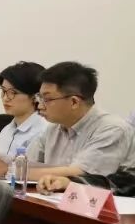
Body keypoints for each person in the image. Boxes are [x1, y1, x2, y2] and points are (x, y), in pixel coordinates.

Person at [26, 61, 135, 191]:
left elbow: (80, 175)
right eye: (39, 98)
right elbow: (27, 163)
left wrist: (13, 171)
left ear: (74, 102)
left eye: (47, 99)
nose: (39, 105)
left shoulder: (112, 129)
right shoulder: (54, 127)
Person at [0, 61, 47, 180]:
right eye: (3, 91)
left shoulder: (44, 131)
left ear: (35, 97)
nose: (5, 98)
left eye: (13, 93)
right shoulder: (6, 129)